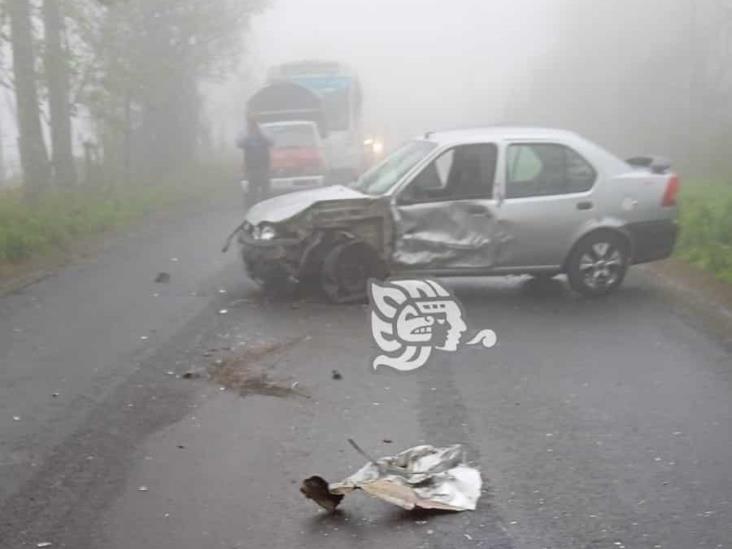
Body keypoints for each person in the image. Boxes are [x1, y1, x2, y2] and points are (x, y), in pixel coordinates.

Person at [237, 116, 272, 205]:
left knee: (265, 192)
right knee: (252, 191)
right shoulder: (245, 135)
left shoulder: (263, 133)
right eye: (250, 124)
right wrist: (248, 136)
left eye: (253, 124)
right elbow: (239, 143)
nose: (252, 126)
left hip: (263, 167)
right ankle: (252, 208)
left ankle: (266, 207)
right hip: (251, 168)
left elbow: (271, 142)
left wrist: (260, 134)